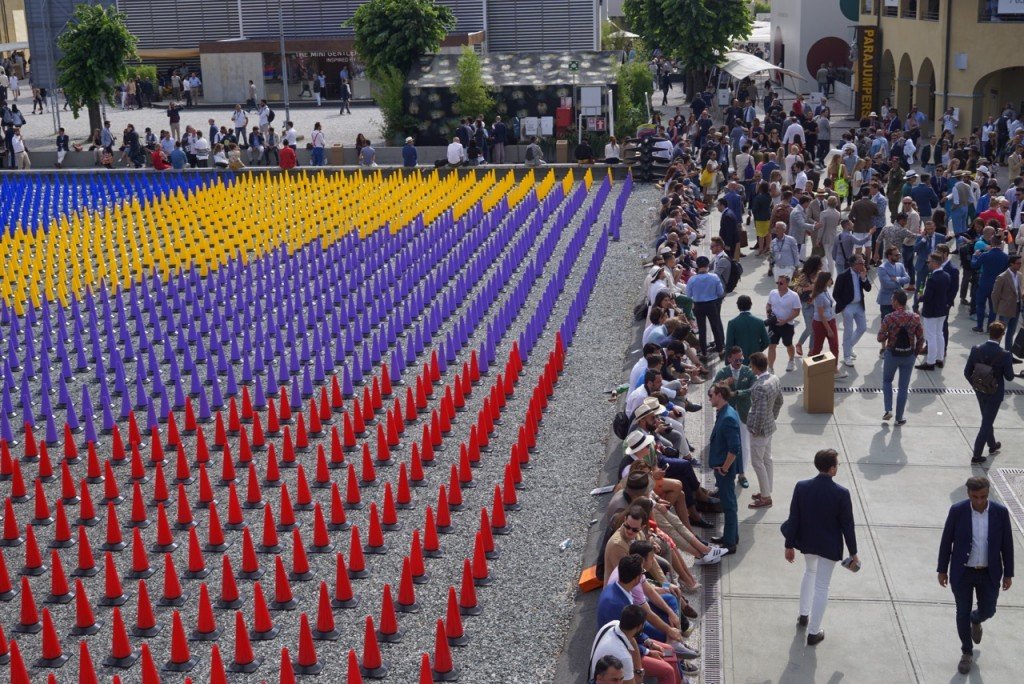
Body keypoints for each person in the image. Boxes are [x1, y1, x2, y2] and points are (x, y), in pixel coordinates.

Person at [937, 475, 1014, 675]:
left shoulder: (1000, 513)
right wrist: (942, 569)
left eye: (983, 496)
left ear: (988, 494)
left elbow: (1007, 545)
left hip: (989, 573)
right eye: (975, 497)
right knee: (961, 611)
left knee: (989, 610)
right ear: (968, 494)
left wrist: (1009, 573)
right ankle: (966, 652)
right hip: (962, 573)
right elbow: (947, 541)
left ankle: (977, 619)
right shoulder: (957, 511)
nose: (979, 501)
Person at [781, 448, 858, 647]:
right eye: (837, 465)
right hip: (829, 546)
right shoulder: (841, 493)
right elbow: (847, 526)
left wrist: (789, 545)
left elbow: (794, 517)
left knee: (809, 573)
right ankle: (813, 633)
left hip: (807, 543)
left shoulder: (802, 487)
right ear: (832, 469)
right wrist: (853, 553)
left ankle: (804, 615)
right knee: (822, 586)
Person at [964, 322, 1015, 464]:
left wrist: (976, 386)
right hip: (995, 393)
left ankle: (992, 445)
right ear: (1002, 335)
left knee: (987, 418)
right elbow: (1009, 377)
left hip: (980, 391)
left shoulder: (976, 349)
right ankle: (976, 455)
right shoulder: (1005, 354)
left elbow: (967, 372)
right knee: (986, 422)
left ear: (989, 332)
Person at [877, 290, 925, 425]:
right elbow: (921, 339)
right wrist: (915, 354)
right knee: (903, 387)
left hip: (892, 354)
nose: (891, 302)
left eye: (892, 300)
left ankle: (888, 409)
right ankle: (899, 417)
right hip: (908, 355)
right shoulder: (915, 317)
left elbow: (880, 337)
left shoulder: (889, 317)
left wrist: (888, 335)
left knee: (887, 381)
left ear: (897, 301)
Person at [713, 348, 756, 490]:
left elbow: (753, 389)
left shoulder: (748, 372)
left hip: (743, 413)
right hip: (727, 413)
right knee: (725, 444)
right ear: (729, 359)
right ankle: (725, 472)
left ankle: (742, 473)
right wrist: (725, 382)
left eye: (741, 359)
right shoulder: (723, 372)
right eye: (736, 360)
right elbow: (712, 390)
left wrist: (737, 392)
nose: (739, 362)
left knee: (743, 443)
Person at [746, 352, 782, 509]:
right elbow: (779, 401)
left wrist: (755, 429)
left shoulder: (760, 387)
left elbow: (759, 412)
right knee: (767, 459)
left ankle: (766, 497)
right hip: (770, 427)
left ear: (755, 366)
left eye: (751, 365)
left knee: (757, 462)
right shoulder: (774, 378)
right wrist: (772, 417)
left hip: (760, 431)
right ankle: (767, 490)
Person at [708, 383, 740, 554]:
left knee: (729, 505)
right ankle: (731, 536)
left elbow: (734, 449)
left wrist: (725, 468)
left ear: (719, 395)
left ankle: (729, 543)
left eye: (711, 395)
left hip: (724, 470)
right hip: (722, 469)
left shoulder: (727, 417)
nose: (709, 398)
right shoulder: (725, 413)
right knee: (729, 503)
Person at [833, 254, 871, 367]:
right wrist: (843, 306)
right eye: (861, 263)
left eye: (863, 262)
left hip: (859, 305)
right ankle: (846, 356)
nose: (863, 264)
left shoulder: (861, 274)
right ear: (854, 264)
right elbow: (836, 293)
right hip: (848, 306)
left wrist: (864, 278)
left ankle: (849, 347)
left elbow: (868, 289)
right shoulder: (843, 276)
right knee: (848, 331)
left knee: (862, 327)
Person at [916, 253, 951, 371]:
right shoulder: (946, 275)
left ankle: (930, 362)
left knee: (930, 337)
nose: (928, 264)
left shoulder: (932, 279)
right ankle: (939, 359)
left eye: (929, 262)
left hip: (931, 312)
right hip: (942, 310)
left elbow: (927, 297)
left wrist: (920, 297)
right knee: (939, 334)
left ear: (935, 263)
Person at [810, 271, 847, 379]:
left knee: (835, 346)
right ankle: (813, 369)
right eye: (830, 279)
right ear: (825, 281)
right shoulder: (819, 296)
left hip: (831, 320)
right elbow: (821, 315)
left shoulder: (827, 290)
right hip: (821, 323)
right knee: (818, 347)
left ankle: (834, 370)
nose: (832, 281)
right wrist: (829, 329)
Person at [687, 256, 725, 358]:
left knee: (702, 329)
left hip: (698, 306)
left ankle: (704, 353)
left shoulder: (692, 279)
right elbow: (720, 292)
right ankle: (720, 350)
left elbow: (688, 295)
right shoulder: (714, 277)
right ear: (708, 265)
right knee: (715, 327)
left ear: (697, 266)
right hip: (711, 304)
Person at [972, 234, 1010, 332]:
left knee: (980, 305)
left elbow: (974, 265)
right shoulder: (1005, 257)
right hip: (997, 284)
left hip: (984, 283)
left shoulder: (985, 255)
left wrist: (975, 256)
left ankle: (979, 326)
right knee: (993, 308)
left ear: (991, 243)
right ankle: (990, 328)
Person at [766, 273, 801, 373]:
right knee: (771, 345)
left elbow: (797, 311)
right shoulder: (773, 292)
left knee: (788, 344)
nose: (778, 285)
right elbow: (768, 305)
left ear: (787, 283)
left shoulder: (794, 296)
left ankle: (791, 360)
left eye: (781, 283)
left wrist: (785, 321)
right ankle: (770, 368)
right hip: (774, 325)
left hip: (787, 325)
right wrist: (769, 314)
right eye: (777, 282)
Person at [989, 254, 1023, 351]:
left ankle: (1008, 354)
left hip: (1016, 307)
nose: (1020, 265)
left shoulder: (1019, 275)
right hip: (1005, 310)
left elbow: (1018, 291)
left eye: (1020, 263)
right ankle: (995, 353)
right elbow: (995, 295)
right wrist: (997, 309)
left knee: (1011, 333)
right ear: (1011, 264)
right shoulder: (1002, 277)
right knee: (999, 333)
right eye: (1018, 263)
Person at [725, 295, 769, 362]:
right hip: (755, 360)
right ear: (751, 305)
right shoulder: (759, 322)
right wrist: (758, 349)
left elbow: (729, 344)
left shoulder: (732, 323)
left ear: (738, 306)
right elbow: (766, 341)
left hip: (738, 361)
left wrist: (727, 362)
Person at [877, 246, 911, 321]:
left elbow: (908, 279)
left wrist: (897, 279)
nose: (898, 256)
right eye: (896, 255)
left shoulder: (900, 265)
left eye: (899, 254)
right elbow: (887, 284)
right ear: (889, 256)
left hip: (899, 302)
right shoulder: (882, 268)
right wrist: (900, 283)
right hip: (886, 301)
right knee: (886, 324)